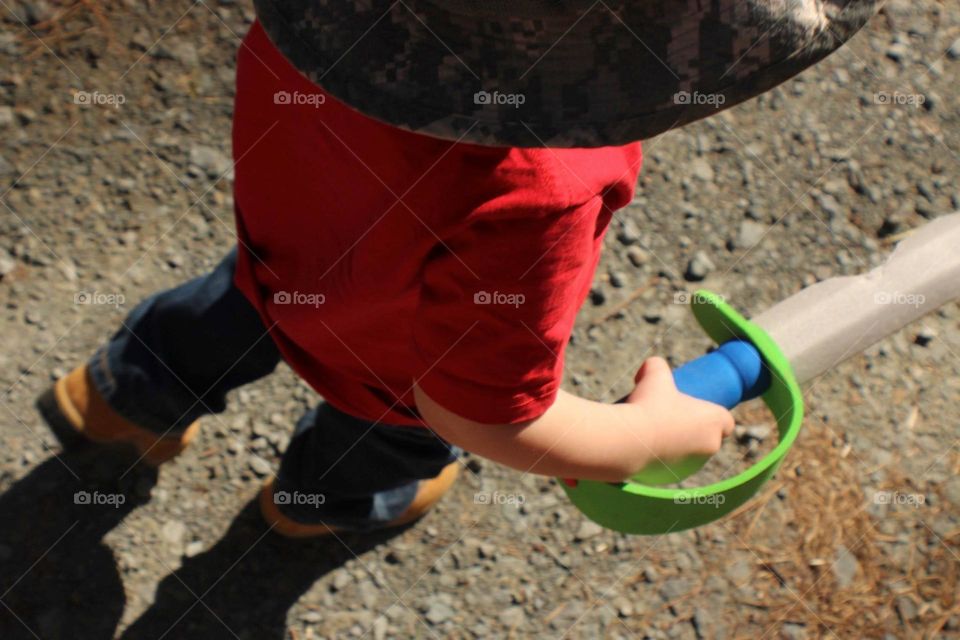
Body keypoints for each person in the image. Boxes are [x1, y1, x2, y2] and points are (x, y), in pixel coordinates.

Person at [41, 1, 879, 536]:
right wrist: (640, 439)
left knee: (222, 316)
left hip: (282, 262)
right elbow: (485, 415)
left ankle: (121, 398)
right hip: (398, 369)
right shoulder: (542, 191)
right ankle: (317, 507)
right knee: (391, 435)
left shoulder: (317, 24)